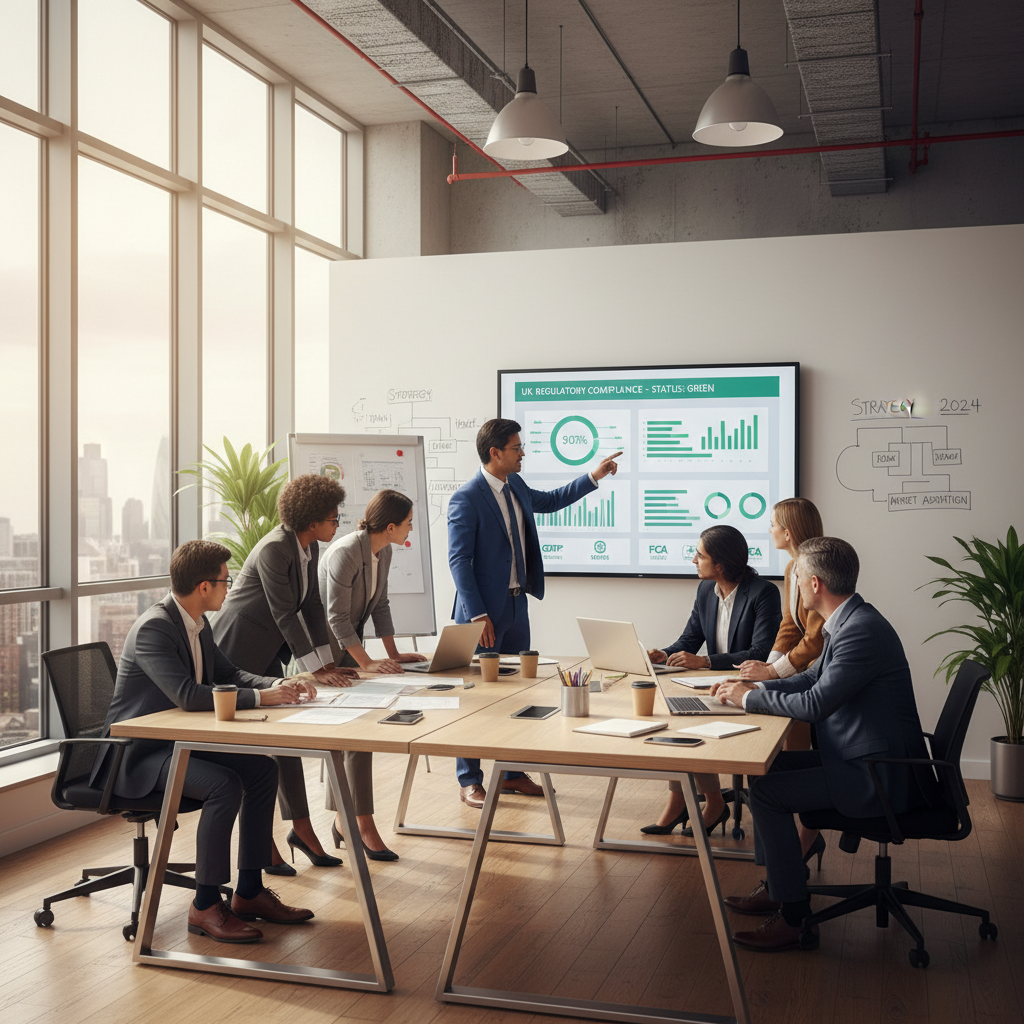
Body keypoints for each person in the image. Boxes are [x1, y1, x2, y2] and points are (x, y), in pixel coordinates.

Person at [712, 537, 937, 952]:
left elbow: (815, 704)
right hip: (860, 757)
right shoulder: (850, 620)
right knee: (768, 771)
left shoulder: (860, 631)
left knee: (767, 792)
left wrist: (746, 699)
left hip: (878, 773)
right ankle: (779, 886)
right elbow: (813, 680)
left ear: (814, 584)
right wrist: (753, 684)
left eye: (796, 576)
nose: (793, 583)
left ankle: (795, 917)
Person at [94, 540, 315, 943]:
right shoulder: (154, 628)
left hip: (176, 744)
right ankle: (205, 906)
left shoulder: (197, 623)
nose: (228, 587)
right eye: (224, 581)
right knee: (223, 784)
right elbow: (189, 695)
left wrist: (278, 683)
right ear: (202, 587)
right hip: (139, 755)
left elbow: (229, 673)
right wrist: (264, 698)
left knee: (262, 769)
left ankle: (249, 893)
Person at [447, 418, 621, 809]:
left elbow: (550, 501)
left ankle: (510, 773)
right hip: (481, 616)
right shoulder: (466, 497)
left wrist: (593, 476)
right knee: (476, 696)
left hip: (516, 604)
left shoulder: (517, 486)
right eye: (516, 447)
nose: (522, 452)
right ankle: (469, 779)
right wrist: (476, 614)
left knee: (516, 691)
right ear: (495, 453)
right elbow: (459, 560)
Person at [212, 473, 356, 873]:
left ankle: (302, 828)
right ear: (311, 521)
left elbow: (310, 605)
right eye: (332, 517)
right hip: (238, 651)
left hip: (267, 654)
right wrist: (314, 667)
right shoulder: (276, 548)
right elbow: (283, 612)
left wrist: (327, 662)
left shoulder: (305, 548)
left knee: (286, 743)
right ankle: (262, 843)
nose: (337, 523)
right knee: (253, 755)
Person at [643, 524, 782, 837]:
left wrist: (705, 662)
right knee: (676, 720)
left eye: (699, 555)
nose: (694, 560)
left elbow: (759, 651)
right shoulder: (706, 590)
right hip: (714, 686)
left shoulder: (763, 593)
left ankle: (701, 803)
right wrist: (662, 655)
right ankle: (697, 801)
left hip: (746, 688)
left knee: (688, 724)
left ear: (720, 564)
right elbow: (690, 639)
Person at [318, 488, 428, 861]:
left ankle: (344, 822)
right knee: (353, 735)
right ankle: (360, 825)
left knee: (352, 732)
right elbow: (334, 617)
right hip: (324, 652)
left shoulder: (384, 550)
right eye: (409, 523)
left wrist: (395, 653)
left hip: (348, 647)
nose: (411, 529)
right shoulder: (349, 551)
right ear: (392, 525)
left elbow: (379, 604)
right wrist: (366, 663)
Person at [735, 497, 827, 866]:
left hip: (822, 673)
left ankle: (804, 839)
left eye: (772, 524)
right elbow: (790, 627)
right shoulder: (792, 566)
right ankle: (794, 850)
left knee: (796, 755)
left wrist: (772, 674)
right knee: (785, 749)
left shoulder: (816, 566)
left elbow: (817, 638)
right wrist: (763, 667)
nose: (768, 529)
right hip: (802, 671)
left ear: (788, 531)